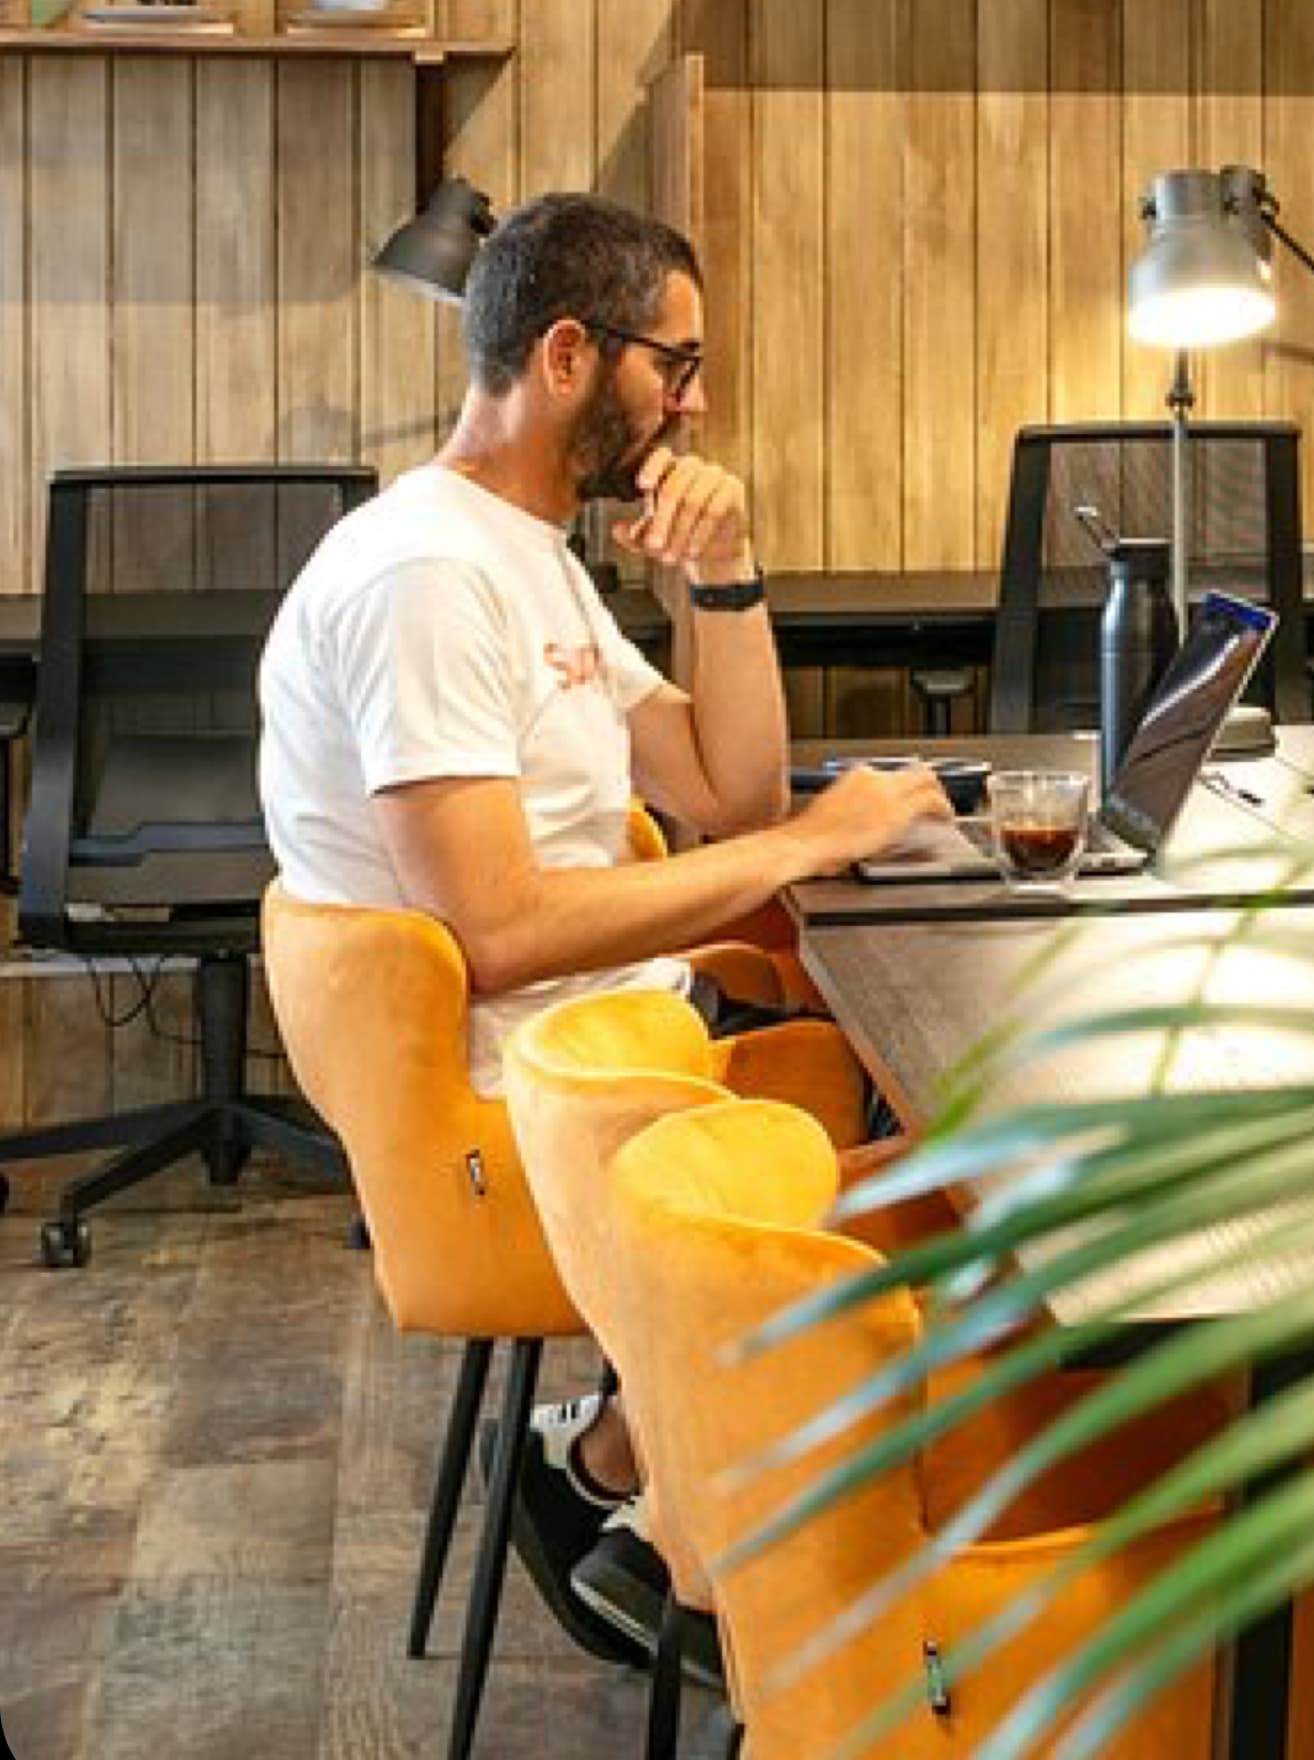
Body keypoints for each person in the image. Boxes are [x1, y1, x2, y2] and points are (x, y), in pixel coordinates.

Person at [259, 191, 937, 1663]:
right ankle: (710, 1546)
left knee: (916, 1125)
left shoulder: (530, 553)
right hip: (528, 1116)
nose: (693, 404)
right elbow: (497, 927)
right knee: (964, 1184)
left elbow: (727, 785)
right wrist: (807, 845)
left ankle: (629, 1472)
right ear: (568, 353)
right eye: (674, 365)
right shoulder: (428, 576)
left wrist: (726, 573)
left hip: (616, 1042)